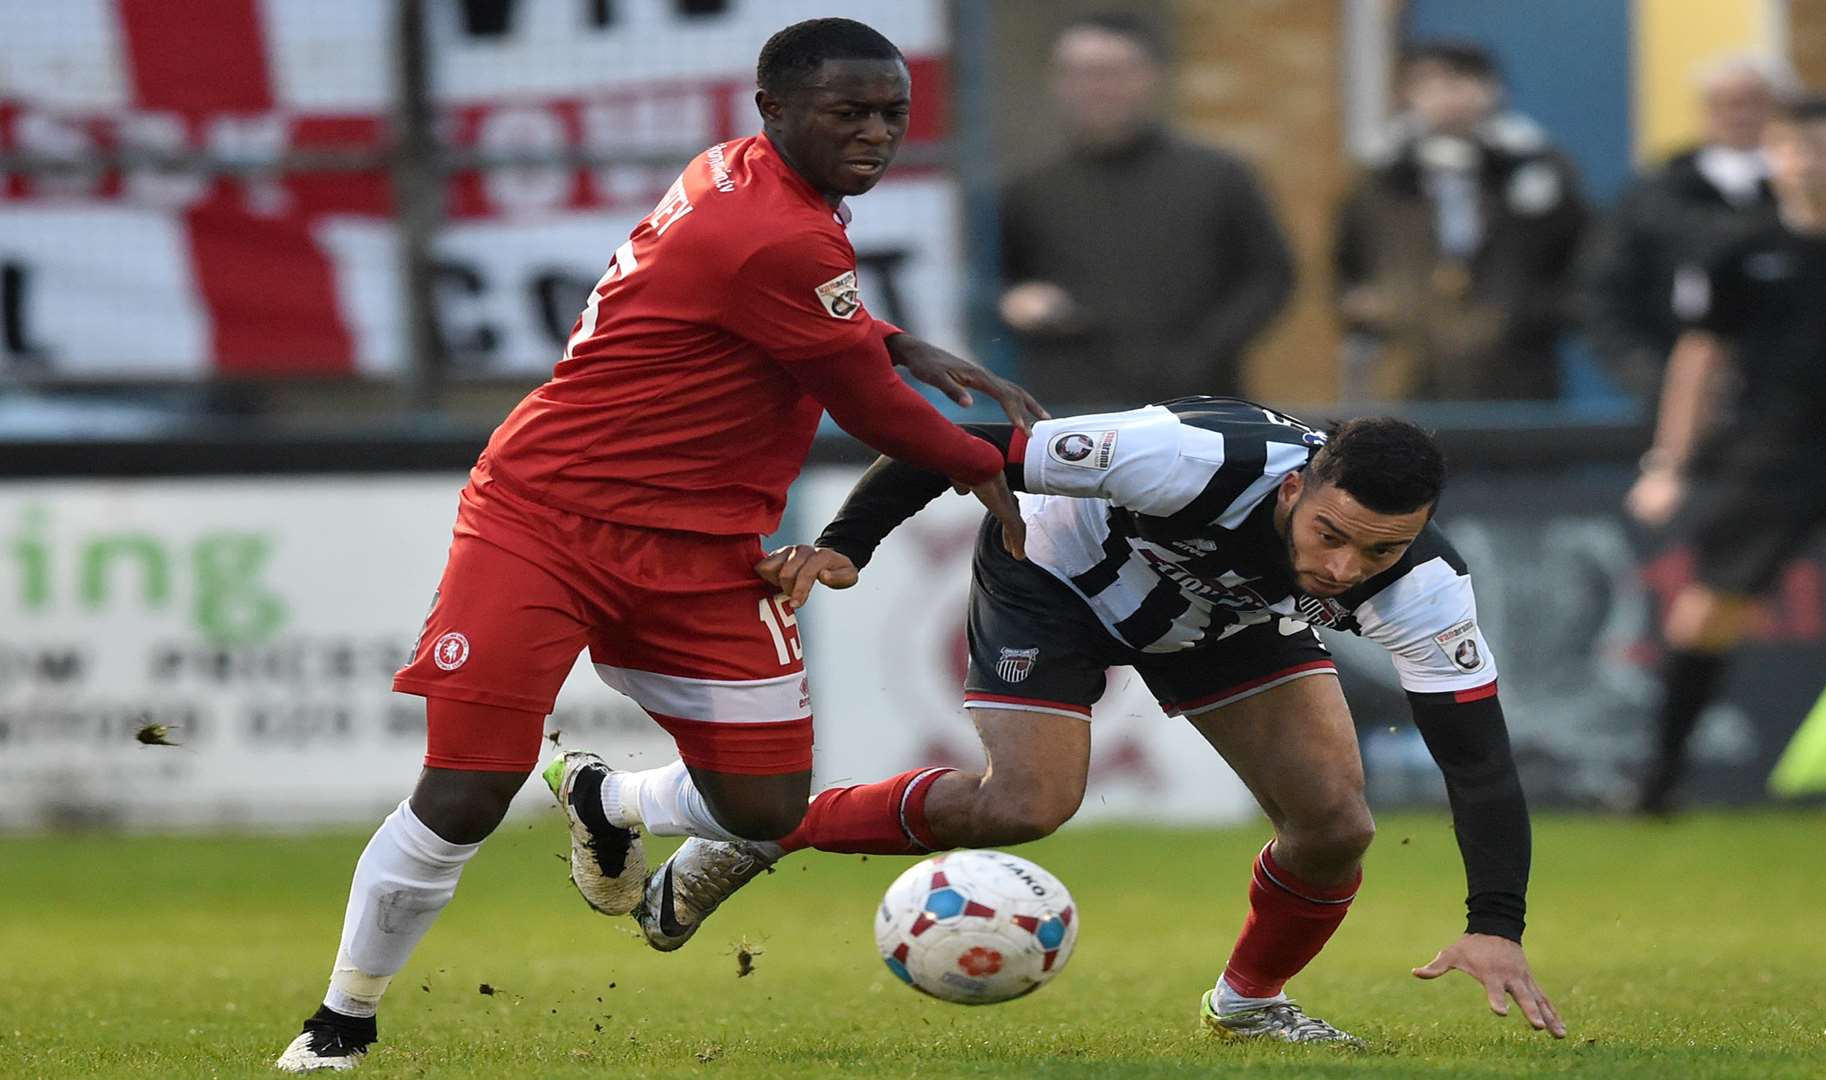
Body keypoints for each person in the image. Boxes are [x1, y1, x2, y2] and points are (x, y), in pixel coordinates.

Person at [273, 18, 1045, 1073]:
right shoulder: (781, 231)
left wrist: (898, 338)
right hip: (546, 520)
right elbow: (868, 405)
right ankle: (339, 1023)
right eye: (848, 112)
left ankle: (608, 798)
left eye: (892, 114)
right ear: (774, 111)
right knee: (466, 787)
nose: (875, 132)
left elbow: (796, 324)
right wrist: (987, 463)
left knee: (764, 809)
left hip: (704, 548)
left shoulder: (745, 180)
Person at [575, 398, 1567, 1044]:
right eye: (1332, 536)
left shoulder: (1427, 590)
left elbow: (1476, 766)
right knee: (1025, 804)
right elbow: (963, 440)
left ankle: (1249, 1010)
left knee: (1336, 827)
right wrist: (847, 544)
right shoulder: (1184, 457)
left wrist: (1497, 927)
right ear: (1297, 486)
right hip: (1056, 576)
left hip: (1222, 622)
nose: (1345, 570)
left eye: (1379, 552)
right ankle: (671, 808)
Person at [1625, 96, 1826, 814]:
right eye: (1786, 148)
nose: (1799, 163)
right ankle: (1657, 786)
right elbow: (1701, 357)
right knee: (1705, 613)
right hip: (1777, 453)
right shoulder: (1742, 250)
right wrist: (1670, 462)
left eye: (1817, 147)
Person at [997, 13, 1295, 406]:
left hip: (1198, 404)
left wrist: (1203, 352)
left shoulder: (1218, 176)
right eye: (1082, 73)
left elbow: (1270, 274)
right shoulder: (1028, 188)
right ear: (1058, 82)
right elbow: (995, 281)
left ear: (1150, 76)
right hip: (1073, 409)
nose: (1098, 88)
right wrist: (1019, 301)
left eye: (1113, 72)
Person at [1335, 41, 1587, 401]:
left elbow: (1580, 260)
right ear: (1408, 94)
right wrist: (1380, 311)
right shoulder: (1381, 177)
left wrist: (1527, 316)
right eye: (1430, 84)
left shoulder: (1537, 169)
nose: (1448, 98)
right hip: (1411, 368)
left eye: (1461, 82)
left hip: (1517, 369)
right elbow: (1348, 265)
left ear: (1492, 90)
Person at [1584, 54, 1792, 404]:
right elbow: (1603, 292)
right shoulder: (1656, 192)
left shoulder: (1825, 192)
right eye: (1725, 104)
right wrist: (1652, 378)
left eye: (1755, 102)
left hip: (1797, 398)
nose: (1740, 115)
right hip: (1675, 389)